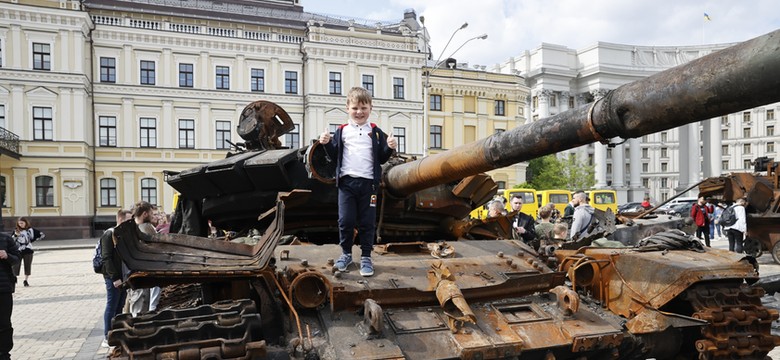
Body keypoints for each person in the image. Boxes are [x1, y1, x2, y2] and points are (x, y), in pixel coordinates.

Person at [319, 86, 396, 277]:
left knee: (367, 222)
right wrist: (327, 143)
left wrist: (389, 147)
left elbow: (381, 158)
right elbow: (334, 154)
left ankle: (366, 257)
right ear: (347, 108)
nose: (359, 112)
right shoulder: (342, 131)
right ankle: (345, 254)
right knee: (345, 220)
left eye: (363, 108)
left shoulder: (376, 132)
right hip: (347, 184)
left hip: (368, 184)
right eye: (355, 108)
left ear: (371, 108)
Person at [100, 209, 133, 348]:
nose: (130, 223)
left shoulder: (123, 235)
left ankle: (117, 332)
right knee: (112, 305)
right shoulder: (109, 234)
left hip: (123, 277)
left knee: (120, 306)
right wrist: (114, 277)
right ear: (120, 219)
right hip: (113, 277)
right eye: (128, 220)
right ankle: (107, 336)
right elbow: (106, 257)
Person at [126, 201, 156, 316]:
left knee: (134, 306)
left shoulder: (130, 228)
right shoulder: (146, 228)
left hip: (132, 274)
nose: (153, 216)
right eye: (151, 213)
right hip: (142, 273)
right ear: (145, 214)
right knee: (140, 311)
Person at [0, 232, 20, 360]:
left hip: (3, 289)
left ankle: (4, 353)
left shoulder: (5, 238)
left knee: (4, 323)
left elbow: (17, 258)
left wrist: (7, 256)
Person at [11, 217, 39, 287]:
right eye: (19, 223)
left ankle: (26, 280)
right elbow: (11, 240)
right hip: (18, 251)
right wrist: (15, 235)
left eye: (22, 223)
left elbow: (41, 235)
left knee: (27, 265)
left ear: (26, 223)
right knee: (15, 265)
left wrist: (31, 241)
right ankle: (14, 278)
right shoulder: (16, 230)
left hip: (28, 250)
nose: (21, 225)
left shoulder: (30, 230)